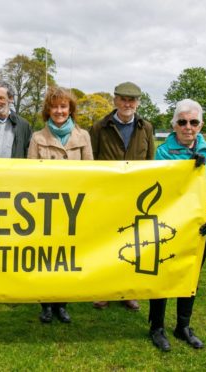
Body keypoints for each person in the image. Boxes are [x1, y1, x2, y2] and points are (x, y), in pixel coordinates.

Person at [148, 98, 206, 352]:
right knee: (163, 276)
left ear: (200, 125)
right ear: (174, 125)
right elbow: (159, 187)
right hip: (170, 228)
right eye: (182, 122)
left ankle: (183, 327)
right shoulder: (163, 151)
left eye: (193, 122)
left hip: (201, 229)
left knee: (190, 277)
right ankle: (156, 328)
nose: (188, 127)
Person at [27, 86, 93, 324]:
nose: (59, 110)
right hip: (45, 207)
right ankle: (45, 303)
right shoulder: (37, 138)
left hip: (72, 207)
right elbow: (29, 174)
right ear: (48, 110)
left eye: (63, 106)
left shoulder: (83, 136)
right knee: (45, 257)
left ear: (70, 109)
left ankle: (62, 304)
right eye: (54, 106)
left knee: (67, 257)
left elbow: (91, 171)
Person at [89, 81, 155, 311]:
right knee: (106, 244)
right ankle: (104, 290)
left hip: (136, 198)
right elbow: (92, 161)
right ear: (115, 100)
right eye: (123, 99)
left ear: (138, 103)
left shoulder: (145, 127)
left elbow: (151, 162)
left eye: (132, 100)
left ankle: (128, 291)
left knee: (134, 244)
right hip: (107, 197)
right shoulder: (99, 127)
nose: (128, 104)